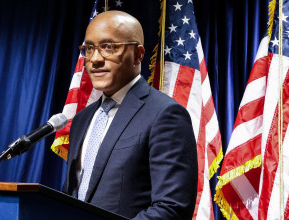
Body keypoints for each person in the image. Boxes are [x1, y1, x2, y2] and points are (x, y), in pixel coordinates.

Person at [62, 11, 198, 219]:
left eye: (108, 47)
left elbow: (172, 208)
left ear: (138, 54)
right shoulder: (82, 120)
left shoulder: (165, 115)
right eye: (89, 48)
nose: (95, 59)